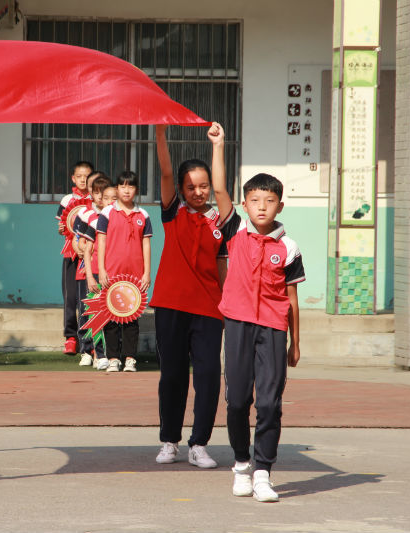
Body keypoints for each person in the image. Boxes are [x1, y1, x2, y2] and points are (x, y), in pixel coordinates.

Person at [151, 122, 234, 468]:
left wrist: (218, 146)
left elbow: (220, 187)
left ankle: (198, 443)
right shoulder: (172, 213)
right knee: (172, 375)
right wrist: (159, 133)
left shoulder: (223, 218)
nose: (198, 192)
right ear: (182, 190)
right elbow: (167, 171)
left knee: (208, 377)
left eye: (202, 187)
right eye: (191, 187)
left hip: (208, 310)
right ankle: (170, 440)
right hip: (170, 304)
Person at [218, 172, 305, 502]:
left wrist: (296, 342)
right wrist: (218, 145)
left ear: (280, 206)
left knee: (270, 403)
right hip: (238, 324)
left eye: (269, 201)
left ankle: (263, 473)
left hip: (273, 329)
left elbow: (292, 299)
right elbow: (218, 188)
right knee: (237, 401)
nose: (262, 207)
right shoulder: (235, 232)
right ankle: (242, 464)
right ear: (244, 204)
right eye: (255, 200)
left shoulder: (289, 247)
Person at [96, 171, 152, 372]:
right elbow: (100, 241)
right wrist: (101, 270)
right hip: (111, 274)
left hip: (135, 278)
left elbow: (146, 244)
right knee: (111, 317)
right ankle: (113, 358)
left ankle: (130, 358)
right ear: (117, 189)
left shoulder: (142, 215)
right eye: (122, 186)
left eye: (131, 186)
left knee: (131, 319)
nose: (126, 190)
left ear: (137, 190)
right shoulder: (107, 213)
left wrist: (146, 273)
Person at [74, 174, 114, 368]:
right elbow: (79, 242)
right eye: (96, 192)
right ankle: (87, 350)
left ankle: (108, 353)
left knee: (108, 312)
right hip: (88, 270)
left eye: (104, 193)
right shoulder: (87, 215)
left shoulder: (115, 216)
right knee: (87, 311)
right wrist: (82, 249)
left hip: (110, 271)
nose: (99, 197)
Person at [56, 161, 94, 354]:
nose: (82, 179)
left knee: (89, 298)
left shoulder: (96, 200)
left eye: (86, 176)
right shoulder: (66, 200)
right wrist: (62, 229)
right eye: (79, 176)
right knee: (70, 297)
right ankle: (70, 337)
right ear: (73, 178)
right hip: (71, 255)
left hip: (91, 254)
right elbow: (61, 226)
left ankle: (91, 338)